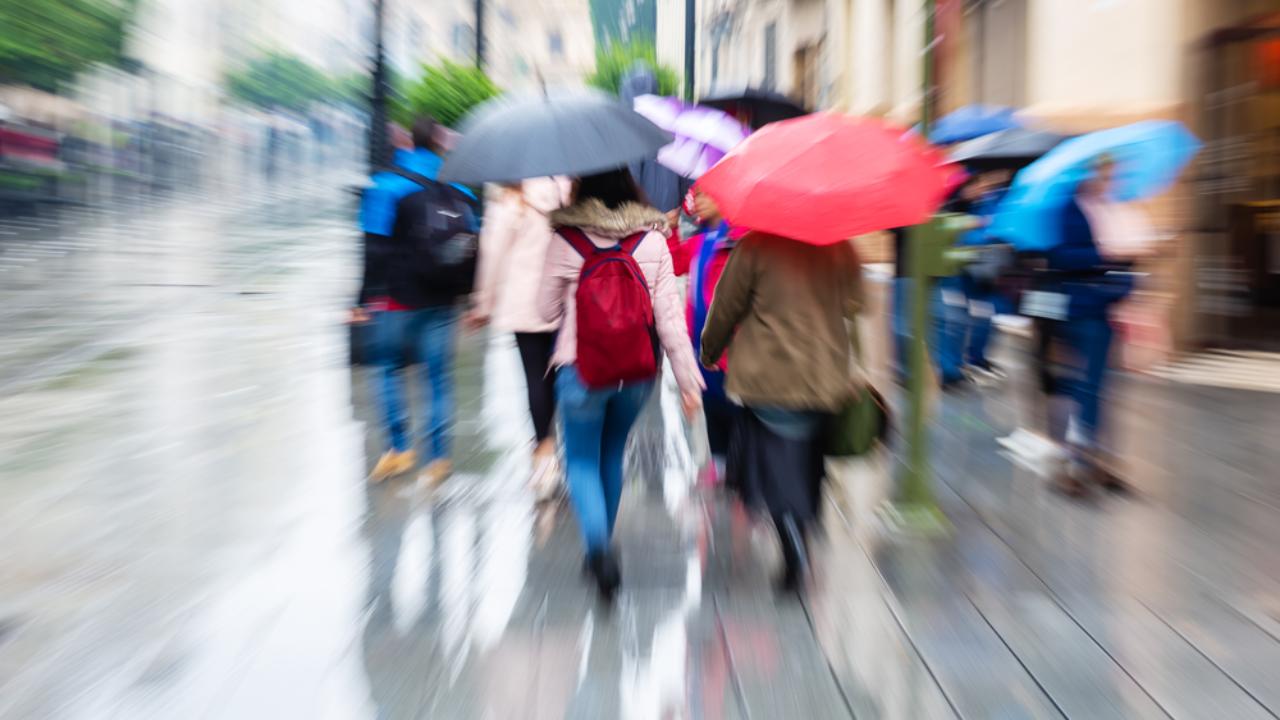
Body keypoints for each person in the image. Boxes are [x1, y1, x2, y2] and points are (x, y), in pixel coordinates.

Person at [538, 168, 704, 600]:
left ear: (580, 189)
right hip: (636, 373)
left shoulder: (565, 240)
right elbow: (670, 321)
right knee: (611, 454)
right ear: (633, 189)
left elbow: (543, 310)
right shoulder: (653, 241)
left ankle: (599, 549)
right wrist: (688, 383)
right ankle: (601, 549)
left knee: (580, 460)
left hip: (580, 371)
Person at [701, 232, 863, 592]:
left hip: (768, 378)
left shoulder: (755, 247)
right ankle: (803, 530)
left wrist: (710, 350)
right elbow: (855, 302)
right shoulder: (839, 245)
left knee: (772, 468)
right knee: (807, 462)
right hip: (823, 375)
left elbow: (726, 306)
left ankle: (792, 543)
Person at [355, 116, 478, 487]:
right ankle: (438, 458)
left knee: (389, 369)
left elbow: (372, 249)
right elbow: (473, 244)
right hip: (442, 299)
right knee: (437, 377)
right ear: (440, 145)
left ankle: (398, 449)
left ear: (409, 142)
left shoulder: (386, 185)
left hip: (397, 299)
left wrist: (360, 300)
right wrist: (469, 297)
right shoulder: (460, 190)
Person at [469, 176, 572, 500]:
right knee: (561, 374)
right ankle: (568, 448)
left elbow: (493, 251)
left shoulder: (511, 194)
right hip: (564, 296)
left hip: (524, 300)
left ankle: (544, 455)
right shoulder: (568, 188)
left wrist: (483, 302)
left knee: (534, 376)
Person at [1038, 157, 1134, 496]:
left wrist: (1125, 281)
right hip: (1079, 308)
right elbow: (1060, 256)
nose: (1109, 180)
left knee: (1098, 385)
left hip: (1105, 308)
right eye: (1104, 173)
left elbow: (1125, 264)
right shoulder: (1069, 209)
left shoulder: (1109, 208)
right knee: (1083, 386)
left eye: (1112, 174)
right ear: (1087, 174)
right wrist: (1101, 254)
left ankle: (1092, 459)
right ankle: (1079, 461)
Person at [670, 187, 742, 481]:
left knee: (733, 402)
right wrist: (673, 230)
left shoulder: (736, 238)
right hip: (699, 336)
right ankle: (719, 462)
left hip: (729, 340)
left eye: (705, 196)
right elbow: (675, 264)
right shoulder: (698, 241)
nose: (697, 203)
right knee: (710, 400)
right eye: (695, 197)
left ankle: (737, 463)